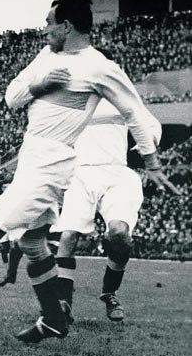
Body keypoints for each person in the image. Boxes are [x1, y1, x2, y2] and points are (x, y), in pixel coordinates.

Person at [0, 0, 175, 342]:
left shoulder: (101, 67)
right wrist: (40, 85)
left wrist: (151, 161)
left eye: (50, 22)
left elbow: (135, 114)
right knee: (33, 242)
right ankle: (53, 320)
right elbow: (12, 96)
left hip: (52, 163)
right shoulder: (47, 57)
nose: (45, 29)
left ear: (67, 26)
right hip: (31, 157)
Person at [51, 94, 174, 322]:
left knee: (120, 234)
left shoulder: (119, 95)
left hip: (117, 171)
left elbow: (151, 123)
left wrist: (147, 143)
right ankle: (62, 302)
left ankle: (109, 293)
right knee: (68, 235)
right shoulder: (72, 97)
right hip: (80, 173)